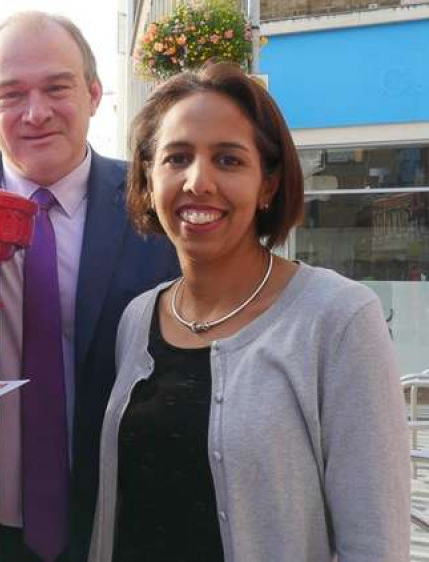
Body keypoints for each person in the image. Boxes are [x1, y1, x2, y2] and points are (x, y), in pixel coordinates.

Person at [89, 63, 409, 561]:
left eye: (229, 160)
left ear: (268, 185)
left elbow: (375, 543)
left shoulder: (338, 319)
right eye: (177, 158)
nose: (198, 181)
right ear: (149, 179)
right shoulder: (137, 318)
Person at [0, 11, 179, 562]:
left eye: (57, 87)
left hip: (124, 524)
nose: (36, 112)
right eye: (10, 94)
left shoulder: (157, 205)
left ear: (95, 93)